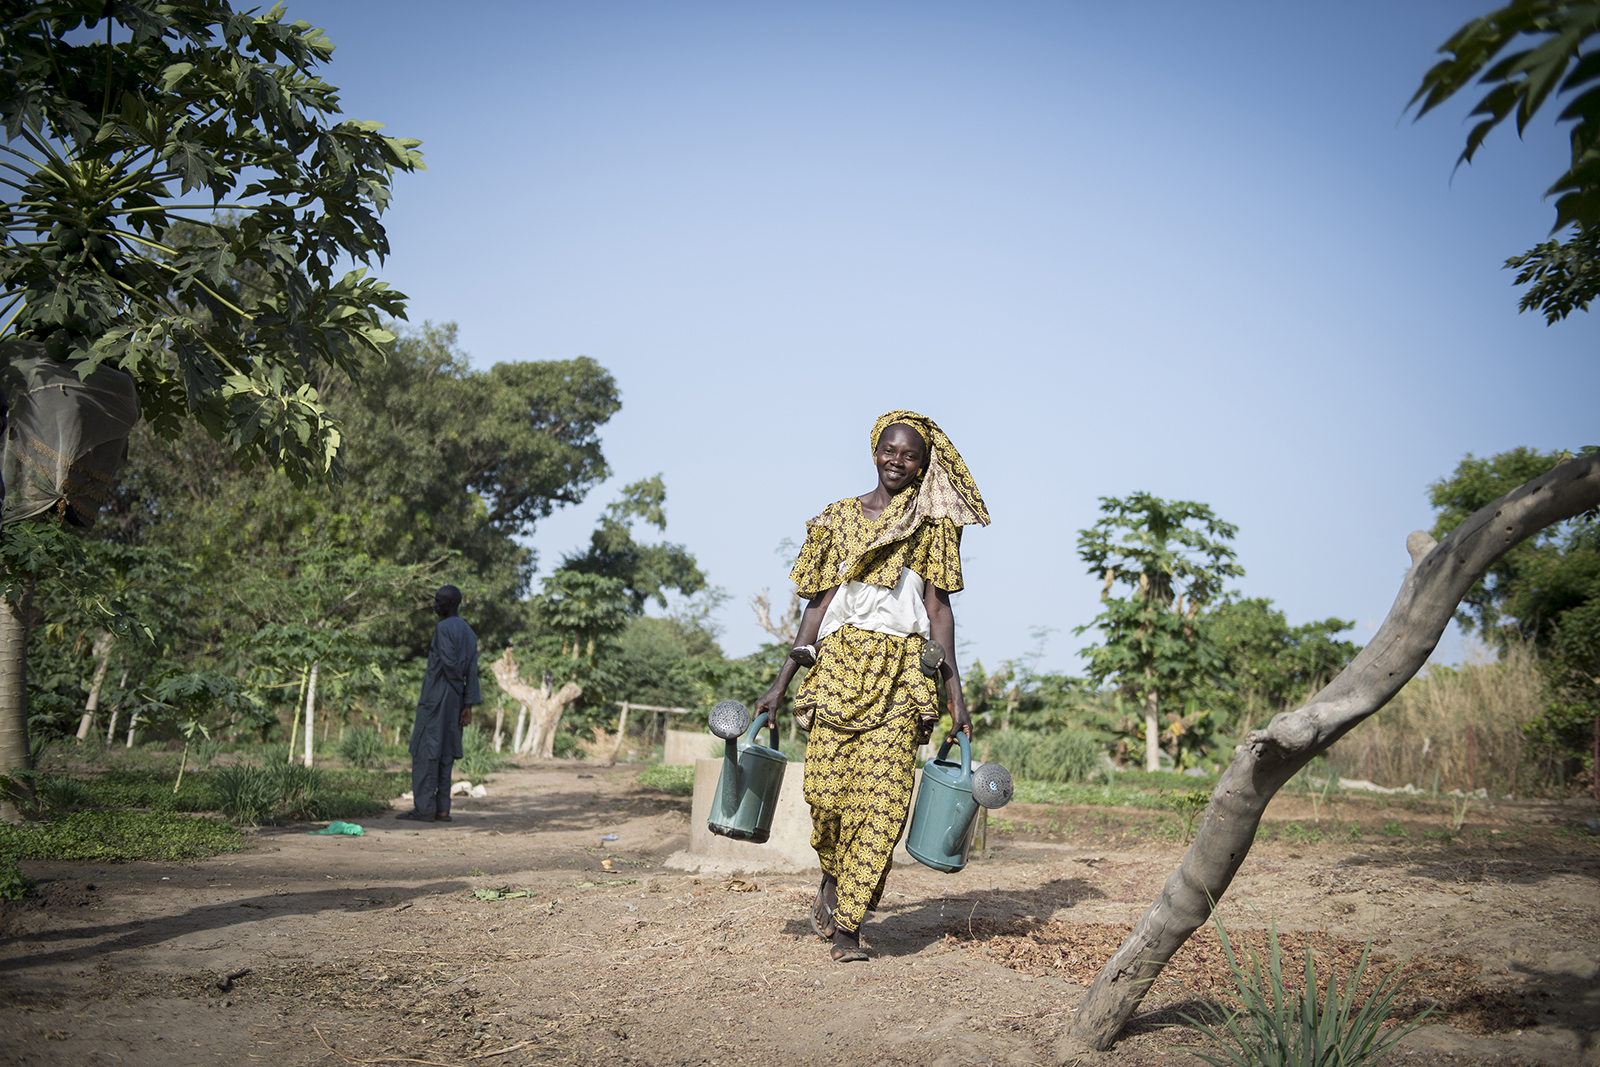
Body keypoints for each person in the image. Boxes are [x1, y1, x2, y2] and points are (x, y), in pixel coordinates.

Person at [755, 410, 989, 962]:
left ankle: (848, 929)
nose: (897, 462)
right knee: (827, 798)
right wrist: (781, 682)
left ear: (923, 463)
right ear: (874, 450)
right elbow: (817, 608)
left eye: (910, 455)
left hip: (902, 674)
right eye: (889, 450)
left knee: (882, 806)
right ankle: (834, 880)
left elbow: (938, 610)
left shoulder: (931, 526)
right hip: (836, 669)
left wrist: (955, 695)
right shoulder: (837, 519)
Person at [398, 585, 481, 823]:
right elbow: (472, 671)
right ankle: (442, 809)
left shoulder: (443, 628)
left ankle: (424, 809)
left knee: (426, 750)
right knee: (446, 751)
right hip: (456, 702)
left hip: (437, 698)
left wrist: (459, 691)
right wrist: (468, 703)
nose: (434, 605)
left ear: (451, 603)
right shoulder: (469, 632)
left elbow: (449, 665)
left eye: (438, 601)